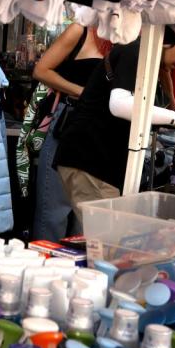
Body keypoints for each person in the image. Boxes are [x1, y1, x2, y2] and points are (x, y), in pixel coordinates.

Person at [54, 29, 175, 220]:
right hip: (89, 158)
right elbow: (119, 105)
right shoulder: (134, 52)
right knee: (108, 237)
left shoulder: (147, 61)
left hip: (101, 162)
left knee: (107, 237)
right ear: (168, 43)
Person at [30, 21, 109, 242]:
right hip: (70, 125)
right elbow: (41, 70)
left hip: (102, 133)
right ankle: (42, 272)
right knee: (52, 215)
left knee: (85, 224)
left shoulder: (127, 36)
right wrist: (84, 92)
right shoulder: (81, 30)